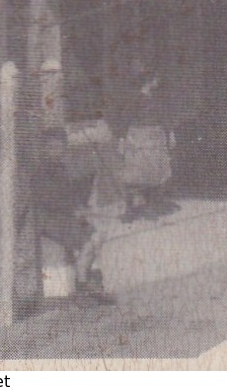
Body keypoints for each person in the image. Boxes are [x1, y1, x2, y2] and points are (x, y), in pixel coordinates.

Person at [30, 127, 107, 303]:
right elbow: (48, 201)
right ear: (43, 149)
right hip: (48, 221)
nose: (55, 152)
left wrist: (79, 205)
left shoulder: (61, 168)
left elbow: (68, 195)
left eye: (58, 148)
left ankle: (89, 284)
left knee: (96, 236)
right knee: (90, 240)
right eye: (50, 148)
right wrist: (72, 210)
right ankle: (82, 287)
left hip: (63, 218)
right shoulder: (41, 172)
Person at [114, 62, 172, 221]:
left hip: (154, 137)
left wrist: (169, 134)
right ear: (149, 80)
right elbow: (125, 120)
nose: (157, 82)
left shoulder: (154, 99)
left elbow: (162, 118)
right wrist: (122, 139)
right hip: (138, 138)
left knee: (154, 173)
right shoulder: (135, 100)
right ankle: (130, 209)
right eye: (155, 79)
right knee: (134, 174)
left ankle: (149, 207)